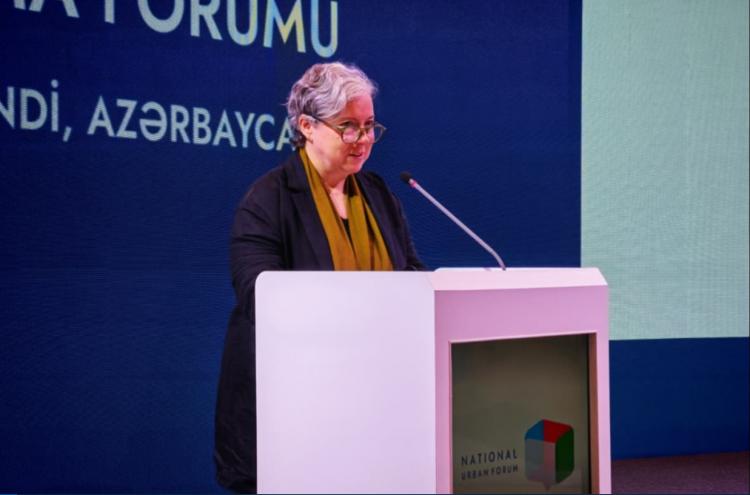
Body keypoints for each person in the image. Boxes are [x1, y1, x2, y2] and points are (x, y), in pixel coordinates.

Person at [213, 62, 425, 492]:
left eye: (369, 126)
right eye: (348, 127)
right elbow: (259, 294)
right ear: (307, 126)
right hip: (292, 412)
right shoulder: (267, 199)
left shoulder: (378, 194)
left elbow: (411, 275)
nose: (363, 139)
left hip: (376, 406)